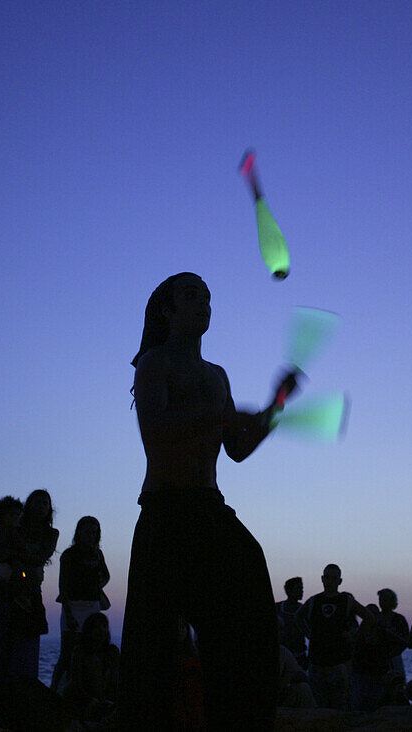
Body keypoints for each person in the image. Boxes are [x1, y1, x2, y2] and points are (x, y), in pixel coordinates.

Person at [118, 273, 298, 729]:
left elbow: (236, 448)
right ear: (166, 310)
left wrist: (275, 405)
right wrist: (220, 416)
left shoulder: (218, 375)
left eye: (208, 298)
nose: (204, 304)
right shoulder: (154, 364)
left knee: (249, 613)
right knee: (152, 646)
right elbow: (158, 432)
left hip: (209, 509)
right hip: (164, 513)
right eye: (191, 296)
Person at [0, 489, 59, 719]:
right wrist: (20, 559)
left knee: (24, 651)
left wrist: (16, 557)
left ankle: (18, 707)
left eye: (44, 502)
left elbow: (40, 557)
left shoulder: (51, 534)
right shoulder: (10, 528)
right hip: (4, 593)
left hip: (29, 596)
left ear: (49, 509)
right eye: (35, 501)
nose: (40, 505)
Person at [299, 564, 375, 710]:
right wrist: (309, 634)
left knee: (340, 705)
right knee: (319, 704)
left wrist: (354, 637)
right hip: (317, 660)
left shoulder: (346, 600)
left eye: (334, 578)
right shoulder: (314, 600)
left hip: (339, 661)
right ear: (322, 579)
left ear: (339, 581)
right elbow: (298, 617)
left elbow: (369, 617)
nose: (330, 581)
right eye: (327, 578)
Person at [52, 516, 110, 689]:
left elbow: (106, 575)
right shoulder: (69, 555)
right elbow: (63, 587)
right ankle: (55, 689)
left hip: (92, 606)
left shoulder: (97, 554)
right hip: (74, 605)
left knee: (91, 650)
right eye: (87, 532)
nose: (90, 536)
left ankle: (86, 688)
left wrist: (95, 585)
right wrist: (68, 613)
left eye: (94, 532)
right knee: (67, 652)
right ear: (79, 532)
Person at [61, 612, 119, 722]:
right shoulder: (80, 651)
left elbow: (115, 681)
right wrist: (92, 701)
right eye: (97, 626)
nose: (101, 630)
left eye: (104, 626)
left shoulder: (112, 652)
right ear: (89, 630)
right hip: (83, 700)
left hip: (106, 701)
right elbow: (76, 682)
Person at [375, 589, 409, 679]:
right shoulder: (375, 618)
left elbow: (406, 640)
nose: (382, 602)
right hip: (378, 658)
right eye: (381, 599)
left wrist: (394, 652)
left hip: (394, 657)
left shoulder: (399, 619)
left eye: (385, 599)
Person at [277, 577, 308, 668]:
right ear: (289, 590)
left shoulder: (305, 610)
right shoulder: (278, 608)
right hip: (283, 656)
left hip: (300, 657)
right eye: (298, 588)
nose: (301, 591)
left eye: (302, 588)